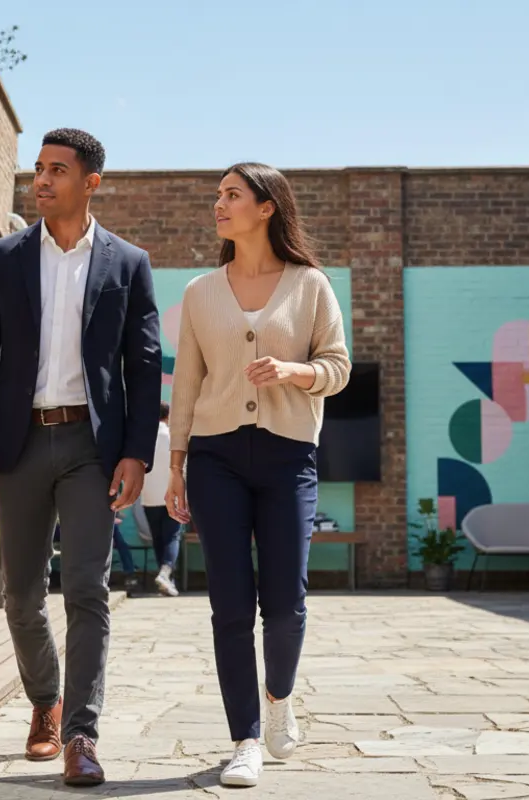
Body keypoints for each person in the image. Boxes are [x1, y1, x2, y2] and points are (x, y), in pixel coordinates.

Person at [0, 128, 162, 787]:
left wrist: (137, 453)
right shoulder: (4, 257)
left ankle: (80, 734)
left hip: (90, 447)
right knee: (20, 592)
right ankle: (45, 699)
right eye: (38, 169)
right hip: (18, 442)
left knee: (87, 588)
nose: (41, 180)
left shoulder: (128, 263)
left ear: (90, 182)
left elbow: (143, 366)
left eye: (57, 170)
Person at [165, 163, 350, 787]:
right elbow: (186, 384)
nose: (218, 204)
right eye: (217, 195)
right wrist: (176, 465)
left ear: (267, 207)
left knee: (286, 601)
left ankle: (279, 698)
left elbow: (338, 367)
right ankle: (244, 739)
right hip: (214, 457)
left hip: (288, 456)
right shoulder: (200, 291)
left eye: (232, 195)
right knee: (229, 604)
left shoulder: (310, 285)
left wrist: (295, 372)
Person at [141, 402, 182, 596]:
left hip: (149, 496)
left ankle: (166, 582)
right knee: (172, 536)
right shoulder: (172, 436)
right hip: (172, 495)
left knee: (158, 539)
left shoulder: (144, 438)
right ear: (168, 416)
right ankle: (166, 572)